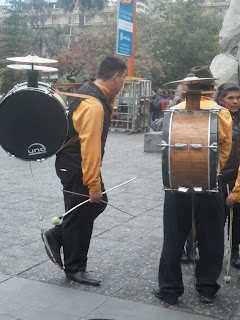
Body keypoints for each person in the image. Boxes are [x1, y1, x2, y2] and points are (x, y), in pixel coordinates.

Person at [42, 55, 127, 286]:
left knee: (92, 206)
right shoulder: (94, 104)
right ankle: (75, 268)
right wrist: (93, 185)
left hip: (71, 162)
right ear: (116, 77)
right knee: (89, 206)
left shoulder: (90, 91)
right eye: (124, 80)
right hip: (76, 164)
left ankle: (58, 235)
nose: (123, 85)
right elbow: (90, 148)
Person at [153, 67, 232, 305]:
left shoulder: (173, 111)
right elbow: (225, 149)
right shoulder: (222, 113)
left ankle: (169, 289)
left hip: (177, 182)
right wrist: (212, 172)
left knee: (174, 237)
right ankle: (207, 288)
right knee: (212, 236)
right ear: (211, 89)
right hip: (209, 182)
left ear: (186, 89)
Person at [215, 82, 240, 269]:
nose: (236, 101)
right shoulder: (214, 117)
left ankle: (234, 252)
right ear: (221, 100)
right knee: (215, 219)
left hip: (236, 177)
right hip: (216, 176)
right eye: (230, 98)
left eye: (238, 97)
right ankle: (208, 251)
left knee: (237, 219)